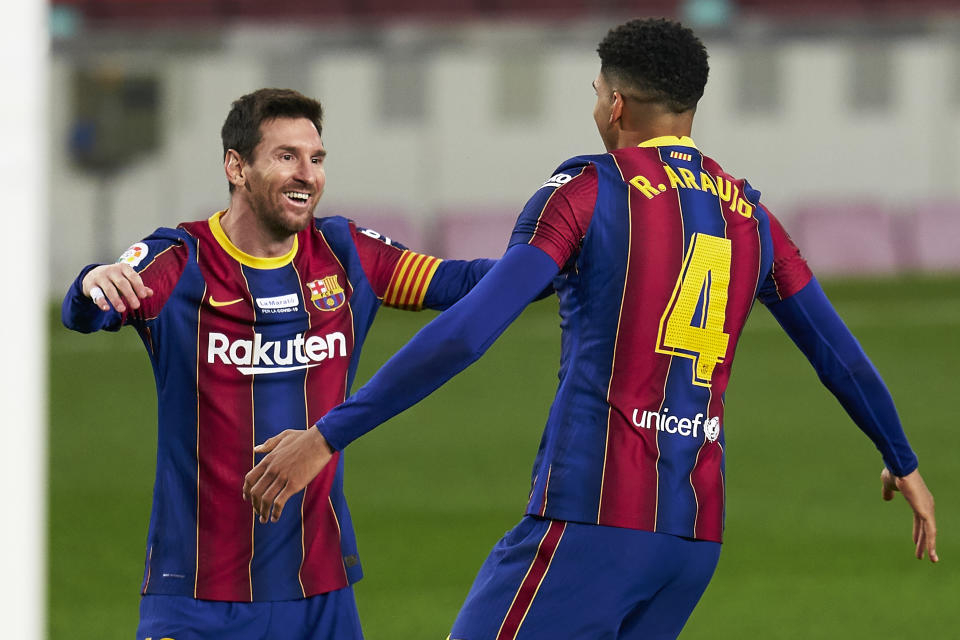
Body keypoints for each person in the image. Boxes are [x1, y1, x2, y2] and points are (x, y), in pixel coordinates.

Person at [243, 19, 938, 640]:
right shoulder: (751, 217)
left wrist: (326, 435)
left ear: (614, 105)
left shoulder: (587, 189)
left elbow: (467, 333)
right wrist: (901, 458)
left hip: (594, 523)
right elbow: (836, 352)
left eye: (596, 91)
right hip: (692, 539)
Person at [61, 88, 498, 640]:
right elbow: (87, 311)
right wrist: (88, 284)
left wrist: (554, 257)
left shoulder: (346, 254)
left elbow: (460, 283)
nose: (307, 174)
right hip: (196, 596)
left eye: (315, 159)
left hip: (320, 595)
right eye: (286, 156)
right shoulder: (179, 261)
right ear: (236, 166)